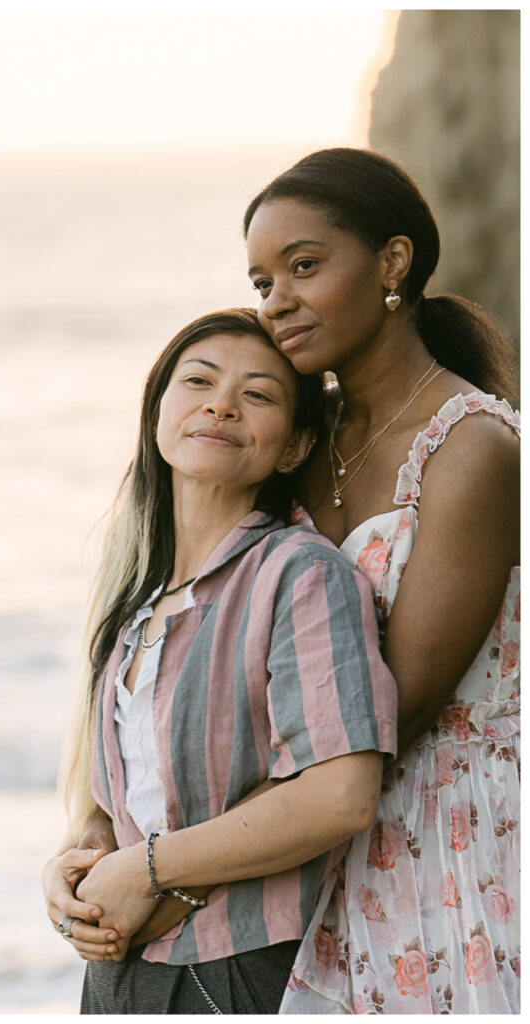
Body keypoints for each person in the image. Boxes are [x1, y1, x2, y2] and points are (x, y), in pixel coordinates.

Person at [42, 308, 398, 1014]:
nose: (220, 403)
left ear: (294, 447)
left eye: (257, 394)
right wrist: (72, 863)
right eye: (197, 380)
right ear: (157, 414)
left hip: (237, 967)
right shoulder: (136, 594)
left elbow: (341, 794)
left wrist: (147, 871)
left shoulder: (299, 575)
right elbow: (133, 794)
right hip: (120, 973)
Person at [242, 147, 520, 1014]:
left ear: (392, 262)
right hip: (316, 835)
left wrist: (189, 847)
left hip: (449, 839)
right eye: (260, 282)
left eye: (303, 266)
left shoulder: (472, 448)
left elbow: (395, 704)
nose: (277, 301)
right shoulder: (293, 442)